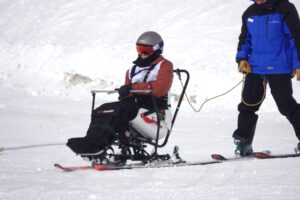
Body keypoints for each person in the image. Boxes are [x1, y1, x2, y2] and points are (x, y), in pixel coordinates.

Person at [67, 31, 174, 161]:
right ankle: (93, 143)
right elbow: (128, 93)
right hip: (134, 107)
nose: (141, 53)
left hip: (155, 112)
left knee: (120, 110)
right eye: (139, 49)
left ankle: (98, 146)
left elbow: (160, 89)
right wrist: (124, 92)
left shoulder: (164, 65)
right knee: (103, 109)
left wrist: (132, 88)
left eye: (145, 50)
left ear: (157, 50)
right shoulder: (132, 70)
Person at [233, 0, 300, 156]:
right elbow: (245, 39)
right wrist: (241, 58)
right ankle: (243, 143)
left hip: (280, 66)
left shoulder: (286, 9)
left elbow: (296, 37)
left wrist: (298, 63)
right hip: (255, 68)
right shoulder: (250, 12)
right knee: (247, 105)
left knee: (286, 105)